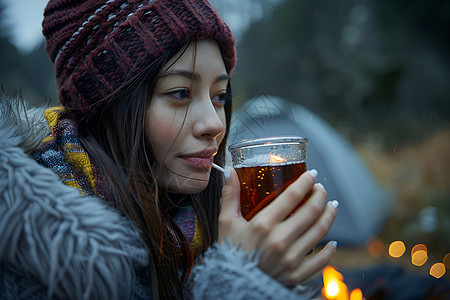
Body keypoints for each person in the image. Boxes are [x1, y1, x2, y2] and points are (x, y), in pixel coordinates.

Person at [0, 0, 338, 299]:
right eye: (179, 93)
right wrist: (241, 280)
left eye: (220, 96)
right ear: (107, 108)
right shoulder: (28, 256)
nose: (215, 124)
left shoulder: (204, 224)